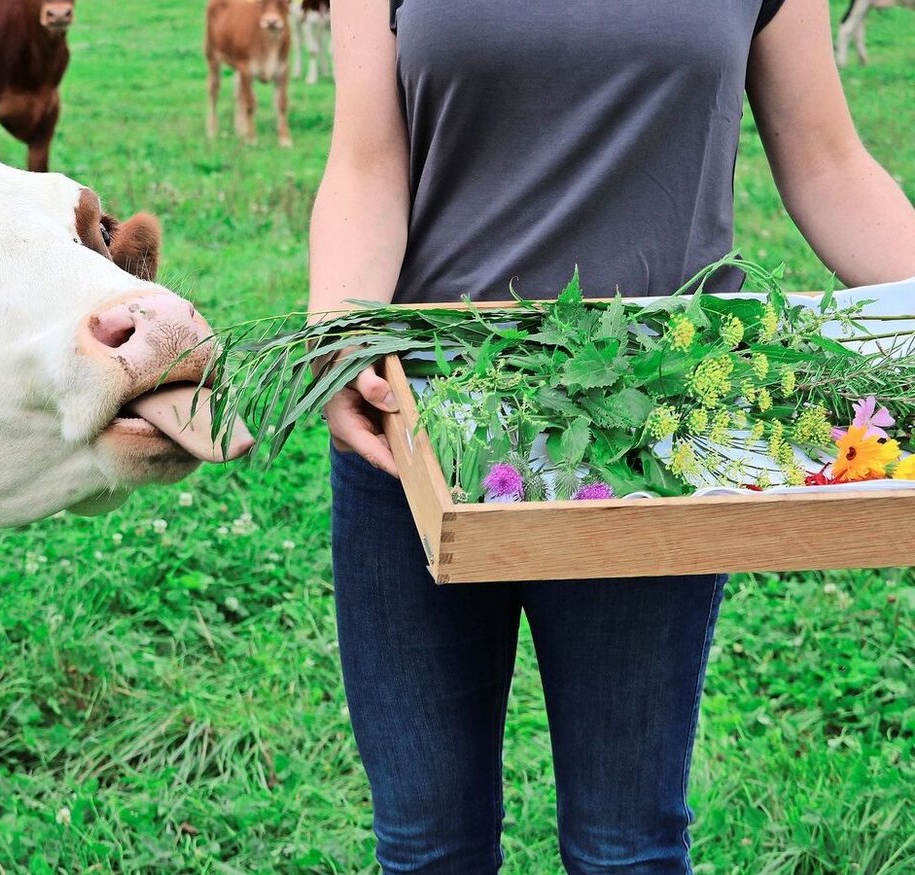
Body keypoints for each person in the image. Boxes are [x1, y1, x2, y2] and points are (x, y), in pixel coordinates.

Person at [307, 1, 915, 872]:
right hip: (423, 429)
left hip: (649, 438)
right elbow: (368, 164)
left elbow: (827, 163)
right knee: (427, 846)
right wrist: (337, 332)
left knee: (625, 848)